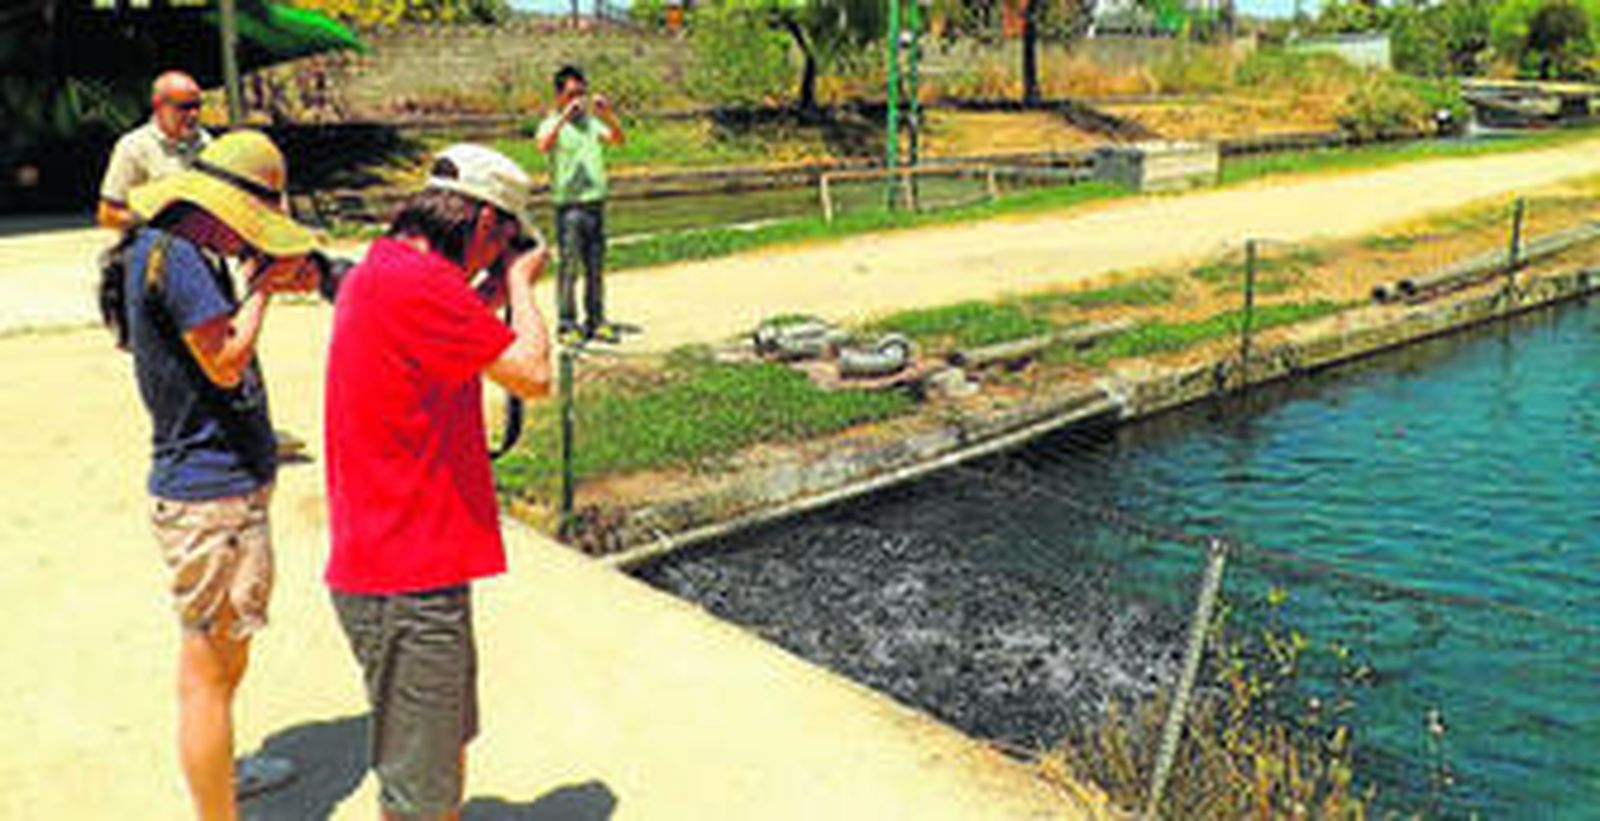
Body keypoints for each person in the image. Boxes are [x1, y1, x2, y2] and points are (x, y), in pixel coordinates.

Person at [323, 143, 553, 819]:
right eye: (504, 237)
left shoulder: (391, 267)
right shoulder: (419, 286)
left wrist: (491, 279)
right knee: (420, 796)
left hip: (401, 564)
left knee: (434, 763)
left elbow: (457, 319)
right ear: (484, 223)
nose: (502, 252)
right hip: (407, 578)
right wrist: (521, 283)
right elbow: (533, 374)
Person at [98, 130, 319, 820]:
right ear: (220, 207)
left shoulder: (155, 248)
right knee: (207, 673)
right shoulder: (182, 258)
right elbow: (225, 358)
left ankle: (222, 774)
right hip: (212, 495)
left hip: (210, 487)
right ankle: (216, 810)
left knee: (223, 660)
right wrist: (264, 287)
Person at [536, 64, 626, 343]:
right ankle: (566, 323)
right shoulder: (552, 122)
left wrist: (607, 114)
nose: (578, 99)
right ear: (559, 95)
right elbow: (543, 145)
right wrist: (564, 118)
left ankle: (596, 320)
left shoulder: (590, 123)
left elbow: (618, 140)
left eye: (581, 92)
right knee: (569, 267)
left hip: (595, 203)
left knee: (595, 268)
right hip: (570, 207)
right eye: (572, 93)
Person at [99, 71, 211, 231]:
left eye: (197, 105)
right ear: (158, 106)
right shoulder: (133, 146)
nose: (194, 114)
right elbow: (107, 215)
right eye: (184, 107)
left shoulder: (206, 142)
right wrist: (155, 221)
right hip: (150, 248)